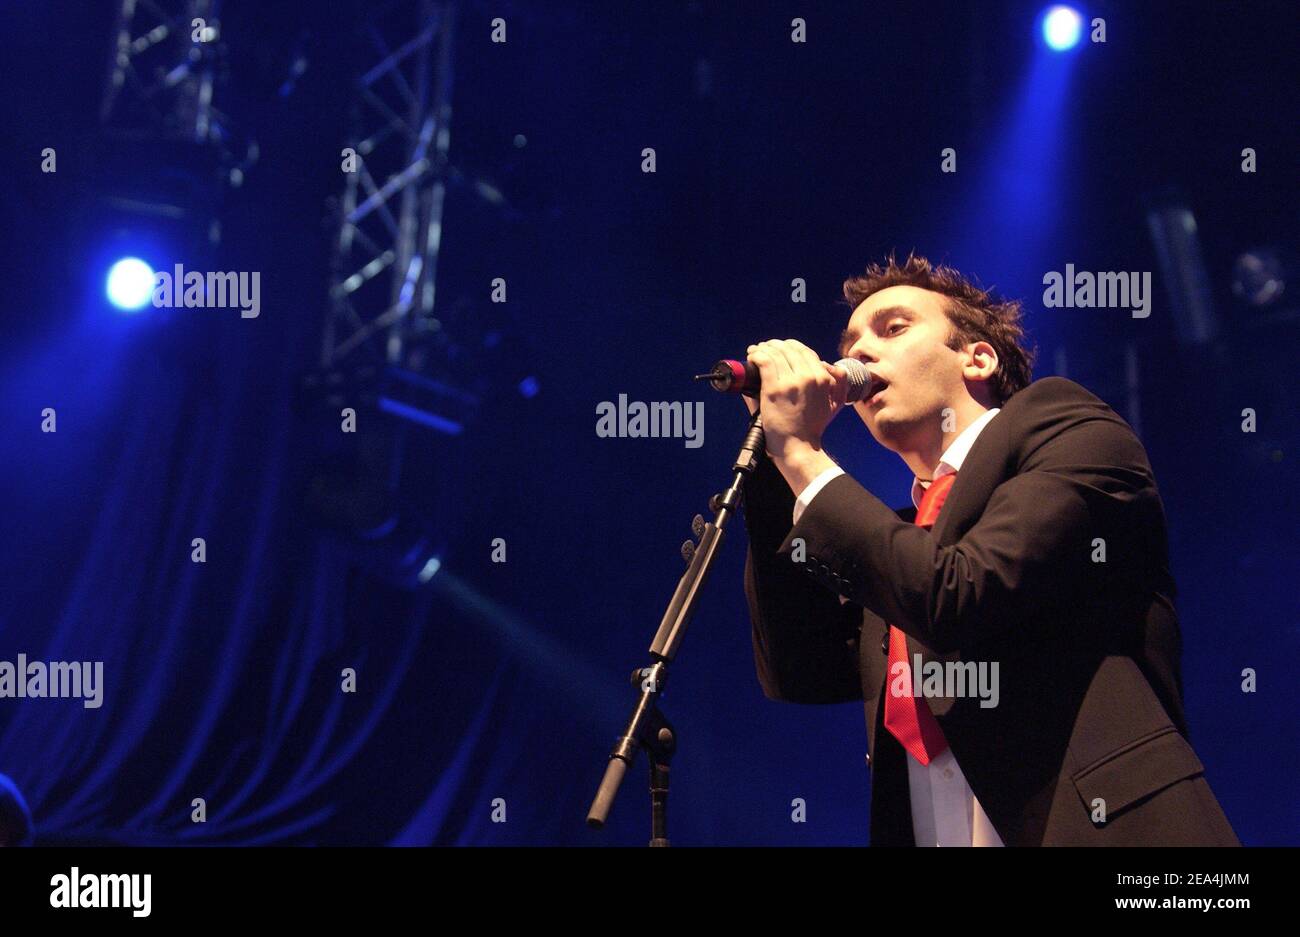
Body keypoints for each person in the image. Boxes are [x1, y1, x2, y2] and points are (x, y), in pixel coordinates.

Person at [740, 253, 1239, 846]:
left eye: (892, 329)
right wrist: (777, 471)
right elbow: (800, 670)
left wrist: (803, 454)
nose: (858, 355)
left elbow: (960, 594)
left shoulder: (1067, 428)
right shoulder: (898, 546)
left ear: (977, 358)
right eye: (850, 341)